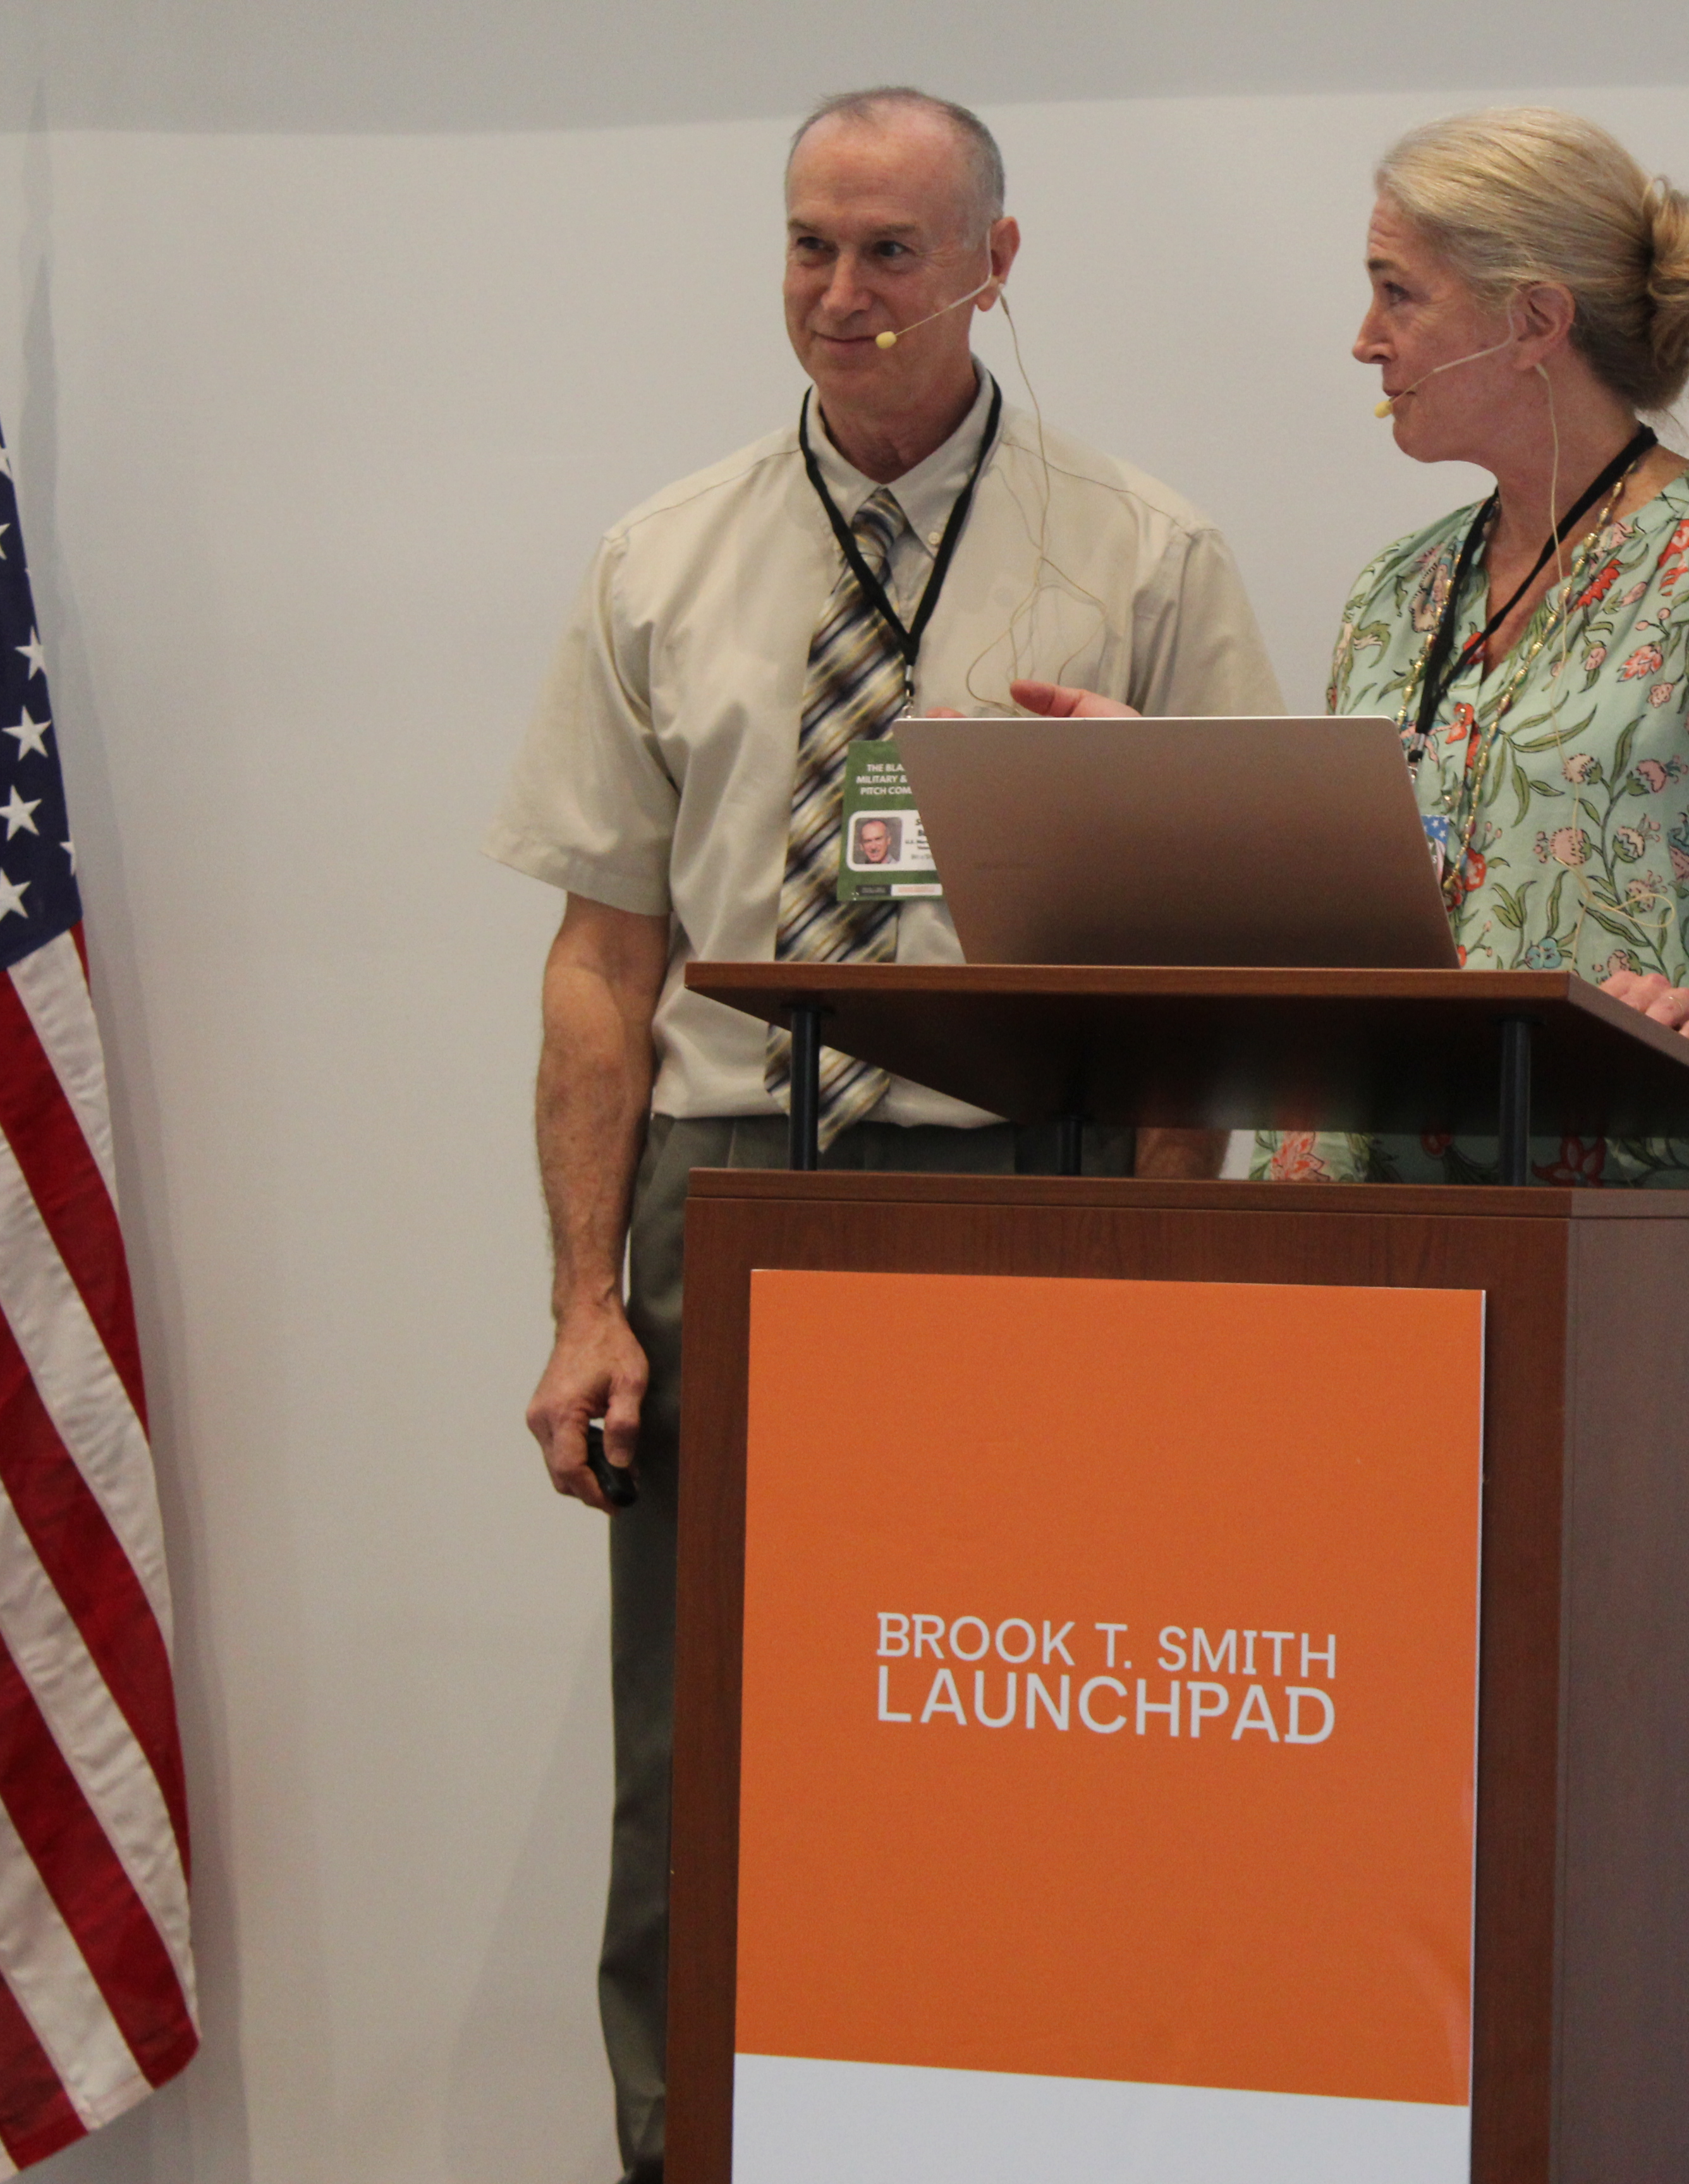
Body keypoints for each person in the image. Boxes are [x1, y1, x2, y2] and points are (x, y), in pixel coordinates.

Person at [482, 85, 1281, 2184]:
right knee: (706, 1744)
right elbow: (599, 960)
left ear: (995, 270)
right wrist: (587, 1296)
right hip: (727, 1197)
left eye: (892, 253)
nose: (841, 295)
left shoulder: (1142, 557)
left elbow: (1222, 966)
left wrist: (1172, 1282)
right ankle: (686, 2139)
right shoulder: (662, 560)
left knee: (1026, 1721)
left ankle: (1015, 2123)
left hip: (1018, 1190)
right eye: (809, 245)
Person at [1019, 107, 1689, 1187]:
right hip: (1352, 1236)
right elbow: (1353, 919)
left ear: (1533, 320)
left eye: (1398, 291)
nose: (1365, 337)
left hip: (1616, 1250)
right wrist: (1170, 790)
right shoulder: (1400, 591)